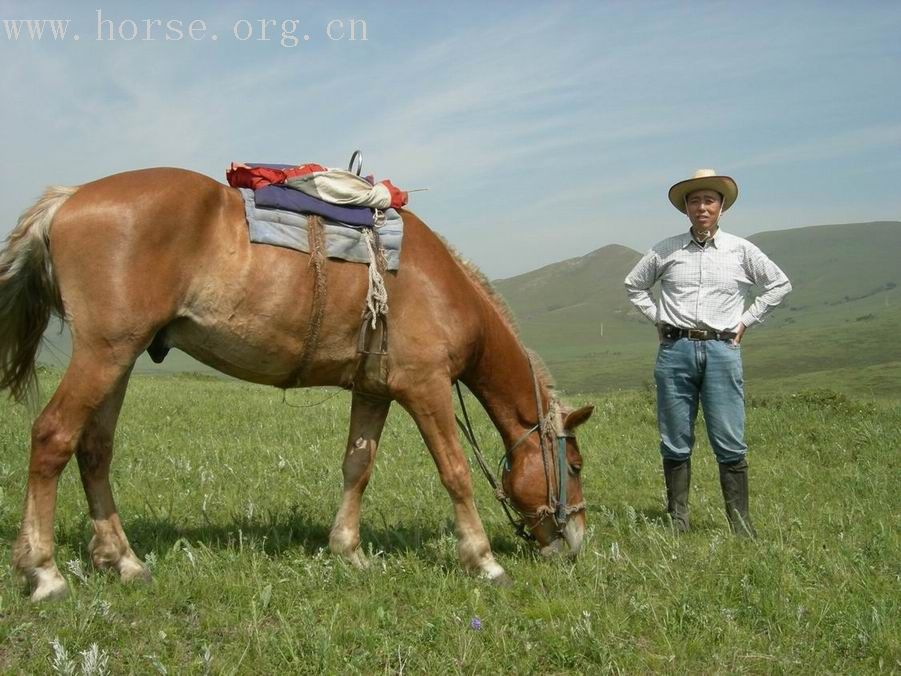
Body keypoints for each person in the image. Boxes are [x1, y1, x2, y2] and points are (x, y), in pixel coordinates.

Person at [624, 169, 792, 537]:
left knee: (729, 437)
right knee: (675, 437)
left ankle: (741, 525)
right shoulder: (665, 250)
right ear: (686, 208)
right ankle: (678, 522)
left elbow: (779, 284)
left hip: (722, 349)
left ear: (721, 207)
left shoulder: (741, 250)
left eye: (709, 200)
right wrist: (658, 319)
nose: (702, 207)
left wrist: (746, 320)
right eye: (695, 200)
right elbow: (634, 285)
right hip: (675, 350)